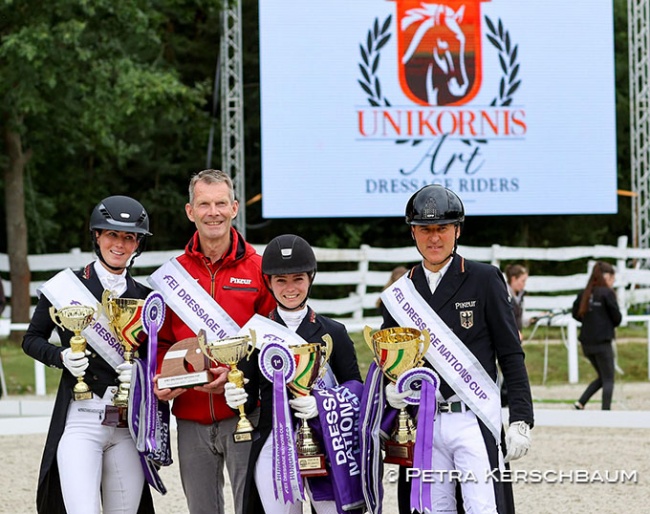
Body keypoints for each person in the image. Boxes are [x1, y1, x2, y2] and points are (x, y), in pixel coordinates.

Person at [365, 184, 534, 514]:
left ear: (456, 230)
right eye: (424, 229)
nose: (434, 238)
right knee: (430, 509)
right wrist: (391, 392)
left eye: (442, 228)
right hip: (423, 423)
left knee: (483, 508)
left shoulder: (484, 279)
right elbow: (390, 361)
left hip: (473, 416)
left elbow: (511, 353)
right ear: (413, 232)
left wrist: (521, 418)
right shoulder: (402, 294)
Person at [151, 169, 276, 514]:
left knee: (252, 507)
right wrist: (161, 377)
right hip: (189, 416)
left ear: (235, 208)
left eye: (221, 203)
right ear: (190, 211)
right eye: (204, 204)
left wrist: (239, 379)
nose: (213, 212)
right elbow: (159, 342)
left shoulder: (259, 269)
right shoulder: (172, 275)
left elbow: (271, 346)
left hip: (244, 413)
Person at [22, 195, 156, 514]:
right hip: (82, 419)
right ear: (97, 236)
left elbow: (155, 356)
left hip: (126, 426)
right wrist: (62, 357)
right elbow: (31, 339)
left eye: (129, 237)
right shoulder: (66, 288)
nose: (120, 244)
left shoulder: (145, 298)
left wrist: (139, 371)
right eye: (112, 234)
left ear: (137, 244)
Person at [238, 234, 364, 514]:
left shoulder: (334, 332)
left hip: (328, 441)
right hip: (274, 446)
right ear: (268, 283)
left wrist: (322, 404)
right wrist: (234, 392)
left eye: (298, 278)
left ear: (310, 279)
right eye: (281, 280)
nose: (290, 288)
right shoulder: (255, 335)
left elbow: (356, 390)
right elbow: (246, 404)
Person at [571, 261, 622, 410]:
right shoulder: (607, 293)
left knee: (602, 376)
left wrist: (589, 321)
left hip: (586, 343)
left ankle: (581, 402)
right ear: (608, 276)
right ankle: (605, 411)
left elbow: (575, 314)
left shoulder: (585, 293)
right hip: (602, 342)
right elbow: (617, 318)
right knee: (608, 379)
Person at [504, 264, 528, 337]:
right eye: (523, 281)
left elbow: (520, 319)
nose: (524, 284)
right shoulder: (504, 295)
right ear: (514, 279)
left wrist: (533, 319)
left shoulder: (520, 297)